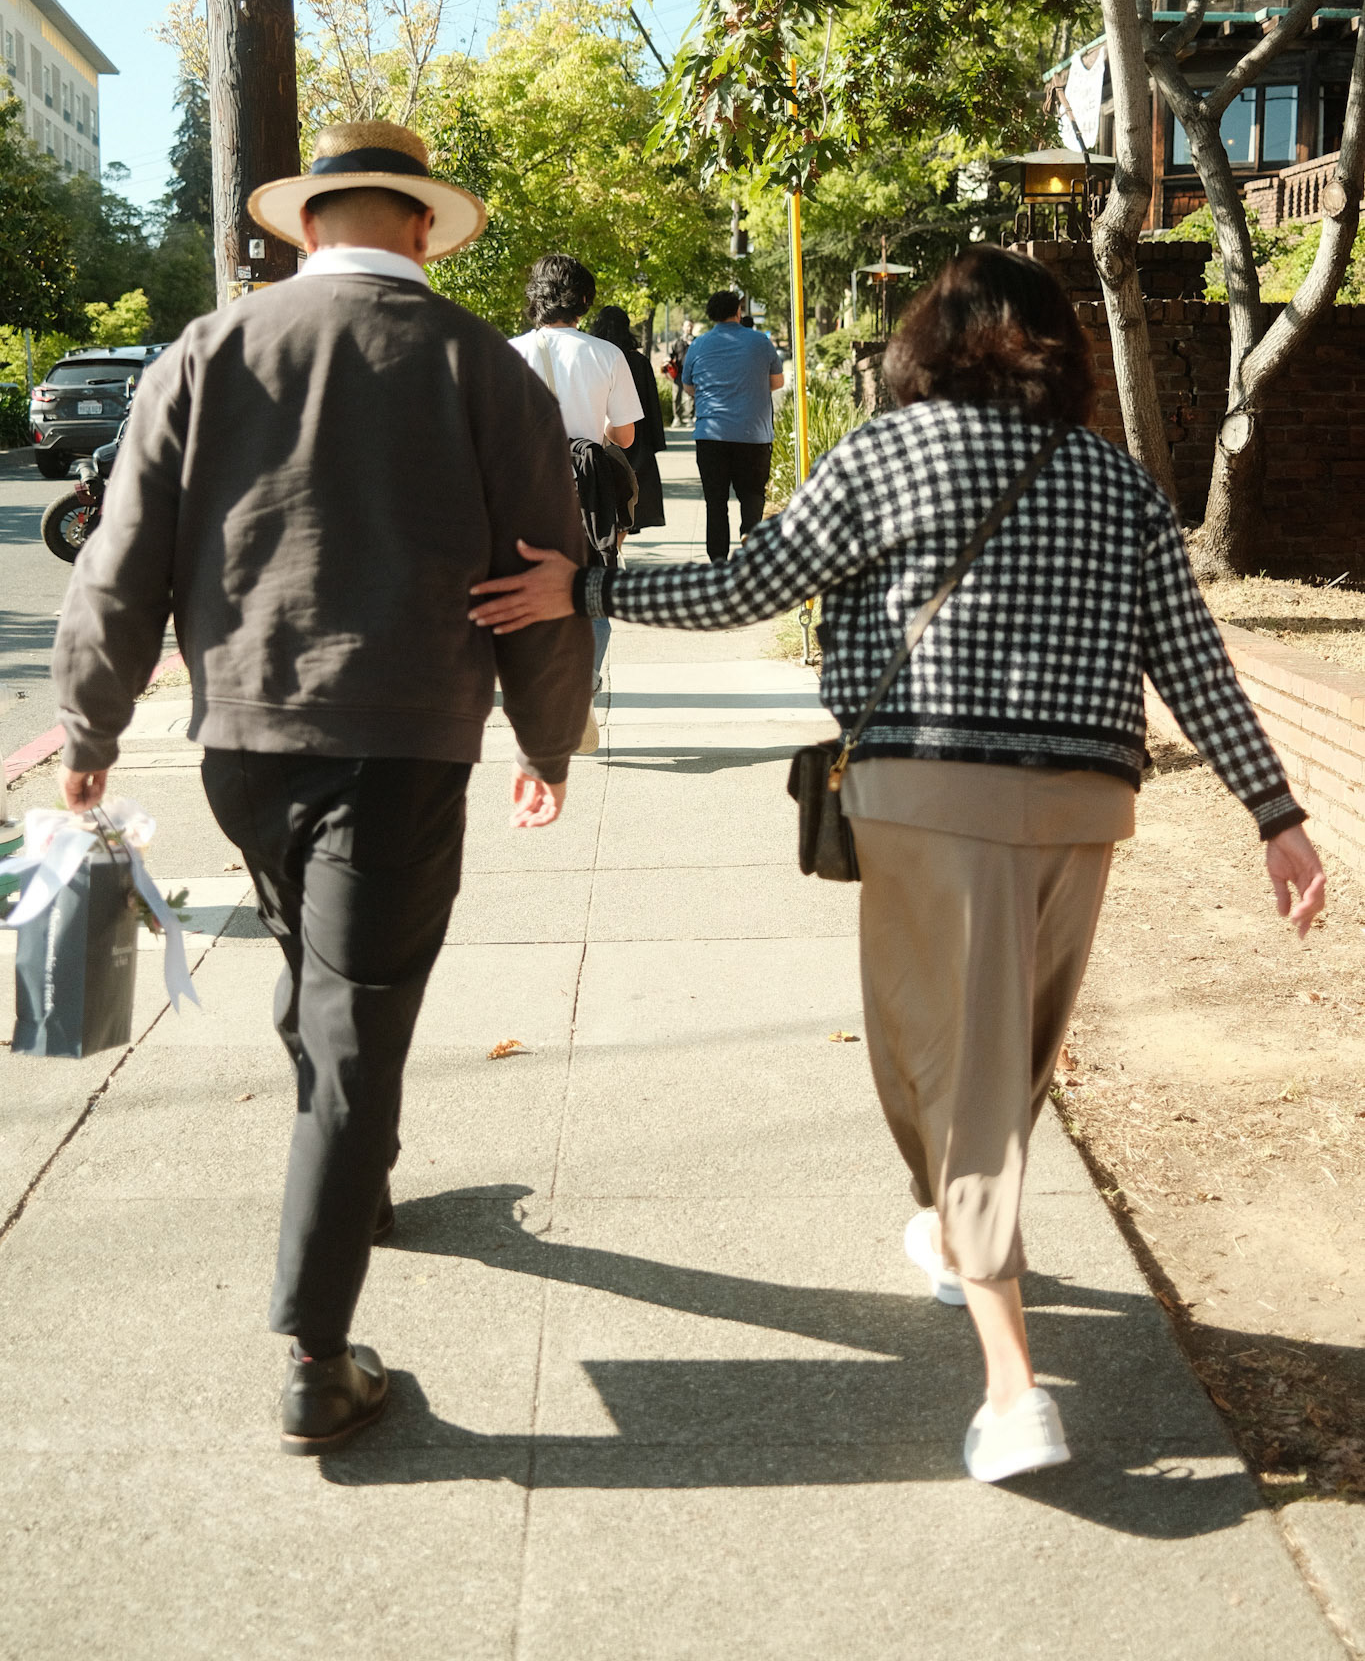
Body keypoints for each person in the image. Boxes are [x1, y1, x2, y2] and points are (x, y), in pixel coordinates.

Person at [469, 244, 1326, 1485]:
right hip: (1086, 806)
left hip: (928, 794)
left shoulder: (884, 453)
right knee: (1006, 1057)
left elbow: (748, 584)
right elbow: (1191, 656)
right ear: (1062, 350)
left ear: (930, 340)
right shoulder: (1120, 480)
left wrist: (590, 587)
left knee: (943, 1061)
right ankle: (951, 1226)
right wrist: (1273, 811)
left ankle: (1014, 1386)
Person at [51, 118, 592, 1456]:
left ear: (307, 226)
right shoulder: (482, 365)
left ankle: (357, 1184)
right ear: (422, 230)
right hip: (399, 740)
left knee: (315, 966)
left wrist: (89, 726)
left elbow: (122, 557)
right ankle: (315, 1350)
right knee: (359, 1021)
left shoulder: (204, 351)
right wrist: (547, 738)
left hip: (241, 744)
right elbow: (543, 576)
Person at [510, 256, 643, 754]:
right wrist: (594, 430)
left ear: (535, 298)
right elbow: (625, 437)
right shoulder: (607, 354)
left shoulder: (510, 353)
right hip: (588, 494)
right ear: (584, 300)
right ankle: (581, 682)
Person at [681, 290, 785, 562]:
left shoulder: (698, 345)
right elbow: (777, 382)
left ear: (711, 315)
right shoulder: (760, 342)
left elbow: (688, 386)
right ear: (739, 312)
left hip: (711, 435)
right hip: (754, 435)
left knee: (715, 502)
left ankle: (717, 561)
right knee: (752, 496)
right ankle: (750, 542)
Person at [590, 304, 668, 532]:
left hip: (601, 439)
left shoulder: (595, 358)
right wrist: (655, 443)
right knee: (628, 504)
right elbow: (651, 405)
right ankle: (619, 544)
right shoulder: (638, 362)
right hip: (636, 440)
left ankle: (613, 545)